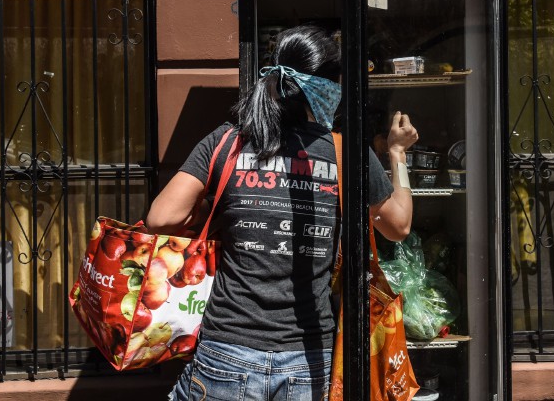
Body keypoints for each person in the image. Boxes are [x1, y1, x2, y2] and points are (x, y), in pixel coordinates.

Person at [146, 24, 417, 401]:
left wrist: (218, 207)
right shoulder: (346, 152)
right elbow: (398, 225)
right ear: (326, 86)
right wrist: (397, 154)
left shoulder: (227, 140)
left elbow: (162, 217)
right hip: (308, 360)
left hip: (227, 351)